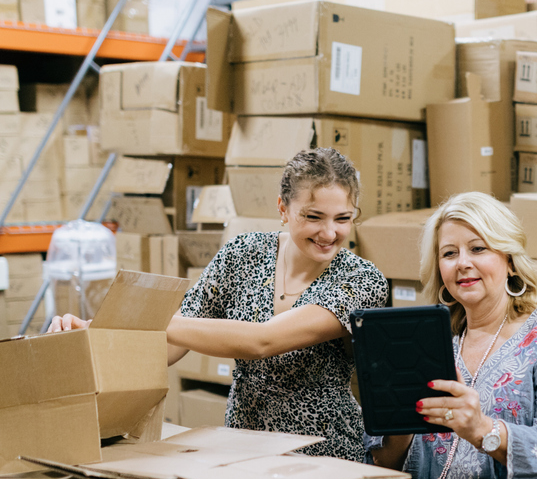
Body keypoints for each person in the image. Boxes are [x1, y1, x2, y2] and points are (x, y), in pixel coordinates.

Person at [48, 147, 388, 462]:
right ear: (283, 209)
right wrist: (96, 341)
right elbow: (170, 345)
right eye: (314, 217)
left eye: (343, 219)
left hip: (322, 452)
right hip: (243, 445)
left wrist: (141, 319)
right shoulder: (243, 254)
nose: (329, 233)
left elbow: (263, 341)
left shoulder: (361, 280)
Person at [371, 192, 537, 479]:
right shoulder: (428, 344)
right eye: (449, 253)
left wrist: (481, 429)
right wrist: (400, 419)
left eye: (478, 248)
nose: (463, 262)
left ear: (508, 258)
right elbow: (383, 462)